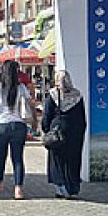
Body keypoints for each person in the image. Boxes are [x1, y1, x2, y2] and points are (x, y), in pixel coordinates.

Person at [0, 60, 35, 200]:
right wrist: (35, 121)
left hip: (0, 125)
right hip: (18, 125)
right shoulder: (21, 88)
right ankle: (18, 189)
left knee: (0, 155)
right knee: (17, 158)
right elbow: (31, 104)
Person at [42, 70, 86, 198]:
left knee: (58, 161)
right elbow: (82, 117)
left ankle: (61, 189)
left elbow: (46, 116)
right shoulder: (77, 95)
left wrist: (46, 131)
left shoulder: (53, 95)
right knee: (73, 160)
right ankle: (73, 189)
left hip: (57, 131)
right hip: (74, 132)